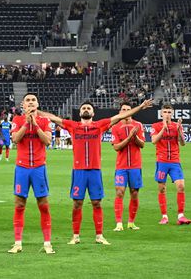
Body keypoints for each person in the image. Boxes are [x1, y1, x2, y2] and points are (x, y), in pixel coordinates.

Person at [41, 99, 152, 245]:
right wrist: (35, 110)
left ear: (93, 112)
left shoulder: (100, 125)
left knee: (97, 203)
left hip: (95, 171)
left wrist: (140, 107)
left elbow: (119, 117)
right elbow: (54, 118)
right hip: (79, 171)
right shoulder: (73, 126)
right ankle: (75, 236)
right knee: (77, 203)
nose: (86, 110)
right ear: (80, 112)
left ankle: (99, 236)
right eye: (83, 108)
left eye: (88, 108)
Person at [8, 94, 55, 254]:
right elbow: (15, 139)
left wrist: (35, 124)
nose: (30, 103)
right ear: (23, 105)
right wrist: (25, 125)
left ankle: (47, 243)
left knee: (43, 205)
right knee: (19, 204)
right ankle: (18, 243)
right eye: (27, 101)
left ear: (37, 104)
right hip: (22, 168)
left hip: (39, 168)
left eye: (33, 100)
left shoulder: (45, 121)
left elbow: (47, 141)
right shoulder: (17, 120)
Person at [151, 104, 191, 225]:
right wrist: (163, 128)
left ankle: (181, 216)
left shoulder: (176, 126)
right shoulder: (156, 126)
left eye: (169, 112)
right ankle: (164, 216)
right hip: (162, 161)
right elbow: (153, 141)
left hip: (175, 161)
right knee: (162, 188)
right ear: (161, 113)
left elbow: (183, 143)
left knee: (181, 186)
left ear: (172, 113)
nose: (167, 114)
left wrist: (179, 130)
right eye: (165, 112)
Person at [111, 102, 145, 231]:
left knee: (134, 193)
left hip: (135, 166)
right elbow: (116, 147)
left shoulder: (138, 125)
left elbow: (142, 144)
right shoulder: (115, 127)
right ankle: (119, 223)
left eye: (128, 109)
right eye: (123, 109)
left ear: (132, 111)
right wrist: (129, 137)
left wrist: (134, 136)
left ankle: (131, 222)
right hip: (121, 167)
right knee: (119, 192)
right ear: (120, 112)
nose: (125, 111)